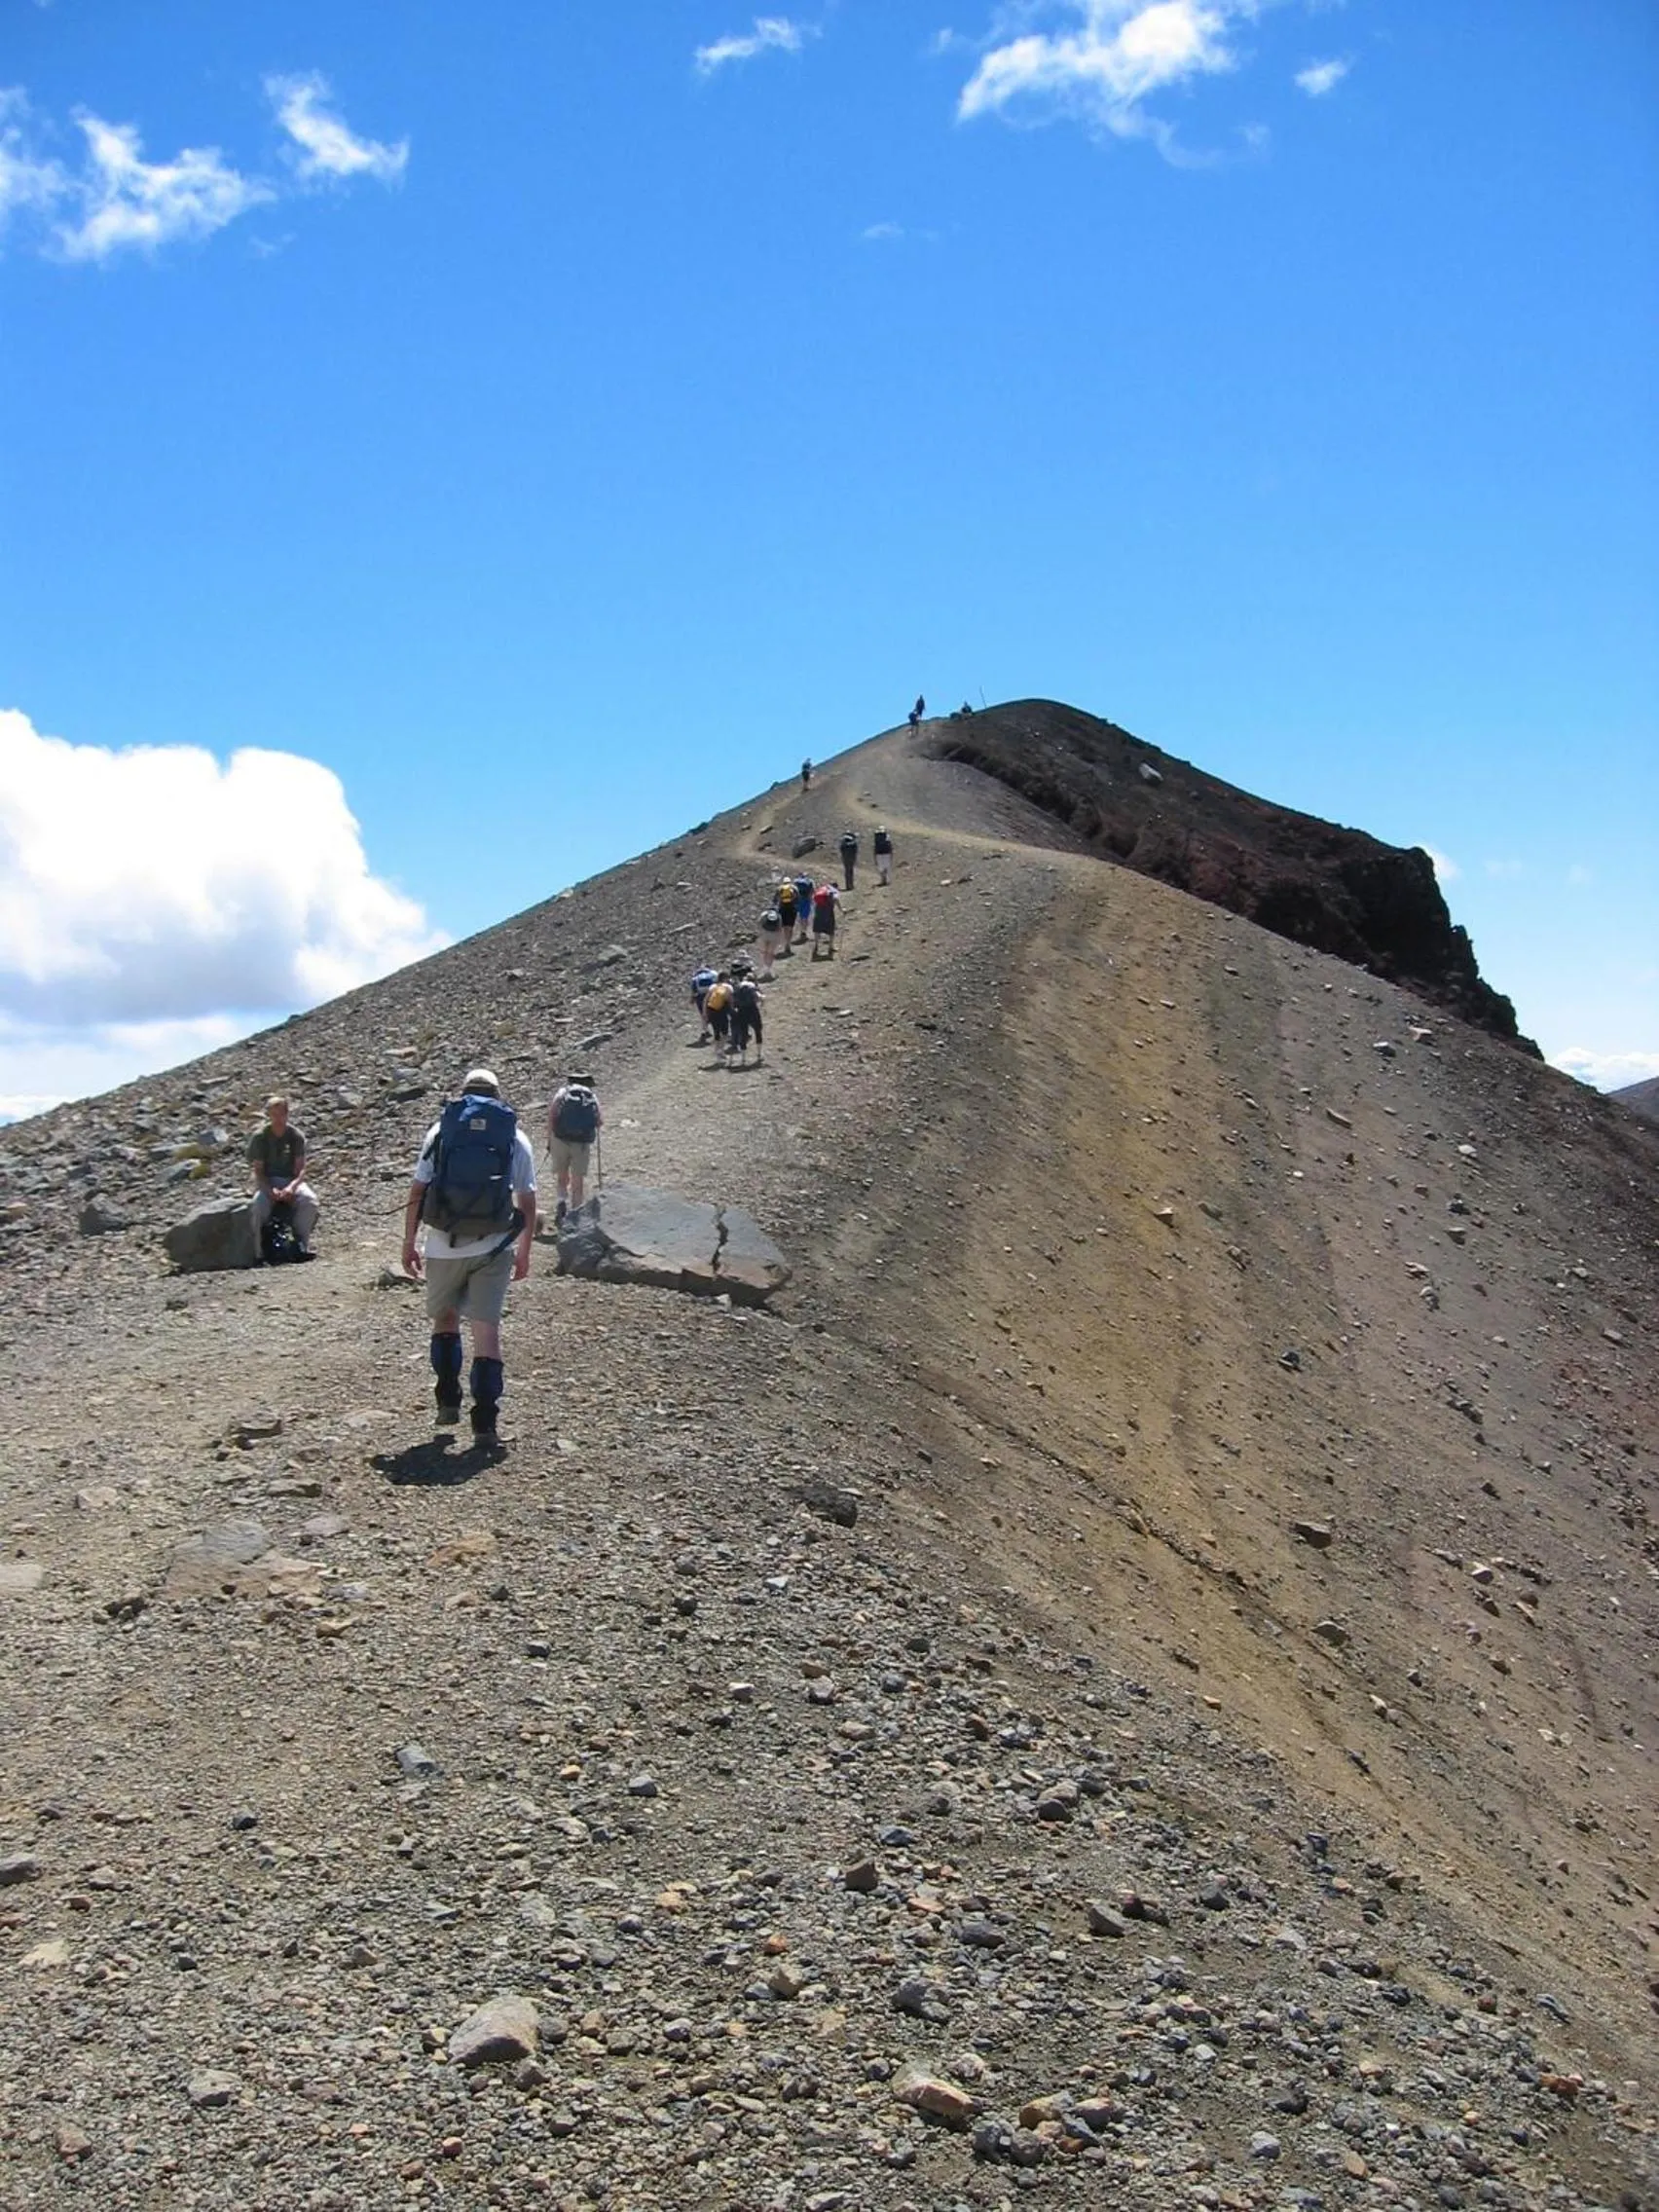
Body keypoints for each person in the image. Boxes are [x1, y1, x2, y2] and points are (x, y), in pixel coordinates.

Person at [401, 1068, 536, 1444]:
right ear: (497, 1094)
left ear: (463, 1093)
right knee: (486, 1332)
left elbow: (417, 1190)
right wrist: (524, 1251)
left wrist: (408, 1242)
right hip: (494, 1245)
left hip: (444, 1244)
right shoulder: (514, 1135)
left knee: (445, 1319)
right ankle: (485, 1424)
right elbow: (527, 1199)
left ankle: (447, 1401)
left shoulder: (441, 1130)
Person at [247, 1095, 319, 1257]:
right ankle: (259, 1253)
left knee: (309, 1201)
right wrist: (269, 1189)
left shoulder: (295, 1136)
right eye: (274, 1114)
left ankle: (301, 1245)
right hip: (268, 1180)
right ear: (269, 1115)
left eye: (281, 1114)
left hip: (290, 1180)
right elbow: (258, 1170)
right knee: (258, 1206)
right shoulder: (260, 1137)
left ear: (287, 1114)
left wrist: (291, 1188)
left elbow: (300, 1169)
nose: (278, 1119)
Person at [547, 1071, 603, 1223]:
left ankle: (561, 1202)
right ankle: (576, 1213)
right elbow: (599, 1122)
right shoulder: (592, 1096)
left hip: (560, 1139)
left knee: (562, 1175)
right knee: (578, 1179)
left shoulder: (562, 1093)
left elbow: (552, 1117)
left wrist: (549, 1141)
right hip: (582, 1142)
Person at [730, 973, 764, 1065]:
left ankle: (743, 1059)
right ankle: (759, 1054)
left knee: (743, 1034)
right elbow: (758, 996)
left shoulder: (738, 986)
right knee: (758, 1031)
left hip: (741, 1011)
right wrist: (762, 1001)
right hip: (752, 1009)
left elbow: (733, 1000)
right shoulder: (752, 986)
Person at [704, 971, 734, 1054]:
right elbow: (731, 1000)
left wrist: (704, 1013)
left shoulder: (712, 987)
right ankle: (720, 1049)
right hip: (722, 1011)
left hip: (711, 1010)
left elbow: (705, 1000)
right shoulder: (728, 987)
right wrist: (732, 1011)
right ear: (725, 978)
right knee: (725, 1033)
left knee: (716, 1031)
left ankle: (717, 1051)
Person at [810, 880, 839, 960]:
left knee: (817, 929)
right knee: (831, 930)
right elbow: (836, 899)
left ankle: (816, 946)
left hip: (818, 911)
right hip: (828, 912)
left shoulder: (822, 889)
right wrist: (841, 909)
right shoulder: (833, 891)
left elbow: (814, 898)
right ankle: (831, 947)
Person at [691, 963, 719, 1042]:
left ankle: (705, 1031)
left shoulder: (695, 977)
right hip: (712, 995)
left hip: (700, 997)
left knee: (703, 1014)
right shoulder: (713, 973)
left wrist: (692, 998)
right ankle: (717, 1030)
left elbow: (693, 990)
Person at [757, 905, 783, 979]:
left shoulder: (764, 914)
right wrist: (779, 938)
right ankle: (769, 969)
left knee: (764, 952)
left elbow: (759, 924)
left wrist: (761, 933)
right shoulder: (778, 916)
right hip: (774, 935)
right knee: (770, 953)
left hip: (764, 934)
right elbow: (779, 928)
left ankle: (765, 968)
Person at [775, 877, 798, 950]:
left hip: (782, 908)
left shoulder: (779, 889)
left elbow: (775, 900)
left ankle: (785, 942)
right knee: (790, 927)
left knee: (784, 927)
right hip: (792, 909)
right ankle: (788, 943)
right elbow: (798, 899)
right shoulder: (794, 888)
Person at [792, 872, 815, 942]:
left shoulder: (796, 882)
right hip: (806, 901)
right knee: (806, 917)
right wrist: (811, 900)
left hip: (799, 901)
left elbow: (793, 892)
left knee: (800, 917)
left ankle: (801, 932)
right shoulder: (810, 882)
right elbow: (812, 891)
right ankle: (804, 932)